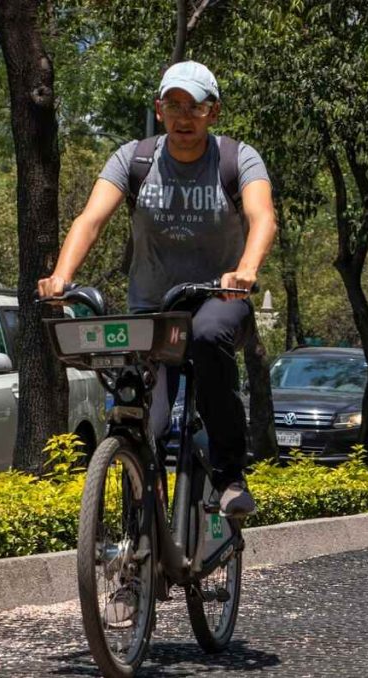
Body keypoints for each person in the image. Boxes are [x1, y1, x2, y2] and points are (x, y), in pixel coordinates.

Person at [37, 61, 276, 518]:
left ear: (213, 112)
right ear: (159, 109)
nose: (183, 118)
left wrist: (245, 270)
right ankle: (135, 559)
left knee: (208, 337)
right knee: (142, 425)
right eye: (173, 106)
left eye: (195, 107)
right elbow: (90, 220)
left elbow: (262, 216)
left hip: (219, 301)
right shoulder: (134, 159)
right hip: (152, 315)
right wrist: (61, 276)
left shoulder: (236, 158)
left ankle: (228, 474)